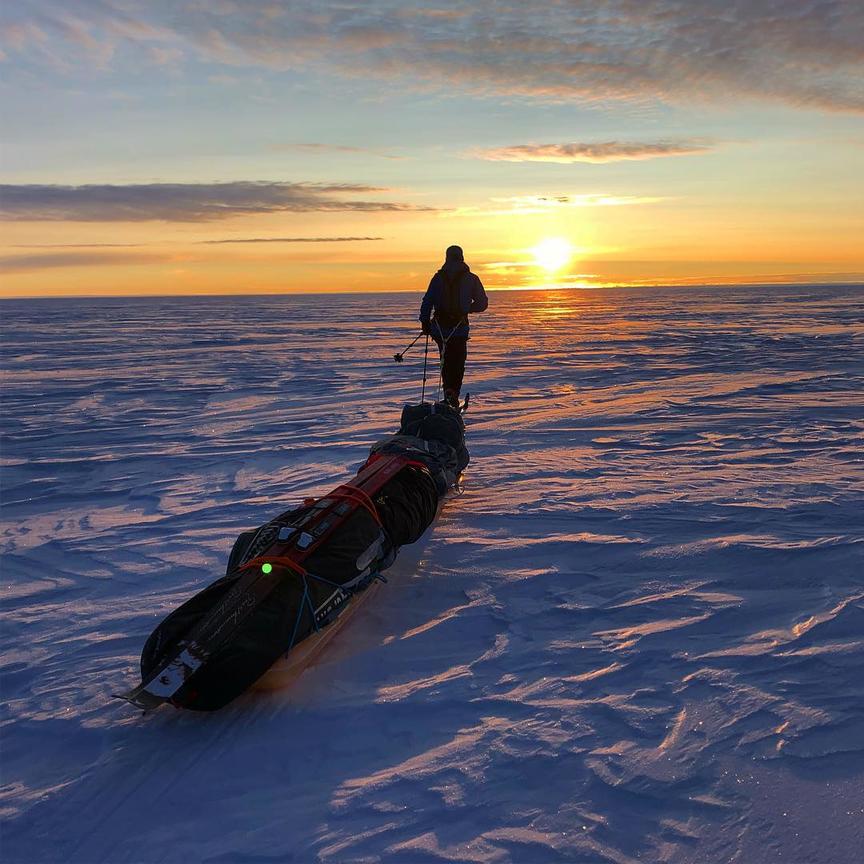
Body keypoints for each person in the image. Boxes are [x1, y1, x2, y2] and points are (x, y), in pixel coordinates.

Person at [419, 245, 488, 407]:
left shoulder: (438, 278)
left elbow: (427, 301)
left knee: (446, 360)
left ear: (447, 258)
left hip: (439, 329)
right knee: (457, 362)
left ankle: (449, 393)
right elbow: (482, 303)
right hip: (459, 328)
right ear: (462, 257)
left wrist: (425, 322)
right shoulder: (471, 278)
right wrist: (467, 309)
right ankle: (452, 394)